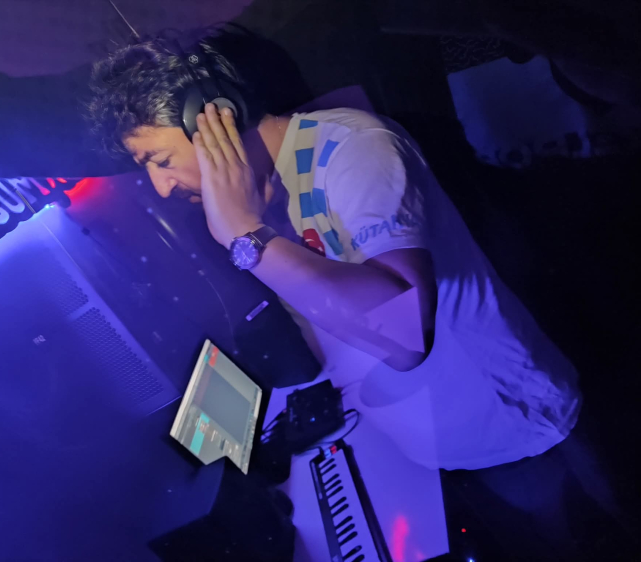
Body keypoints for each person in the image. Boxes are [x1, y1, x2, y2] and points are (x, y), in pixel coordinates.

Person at [87, 34, 582, 471]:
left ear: (218, 115)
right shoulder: (258, 195)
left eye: (161, 160)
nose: (161, 186)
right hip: (435, 444)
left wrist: (245, 235)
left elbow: (405, 335)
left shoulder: (351, 148)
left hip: (517, 426)